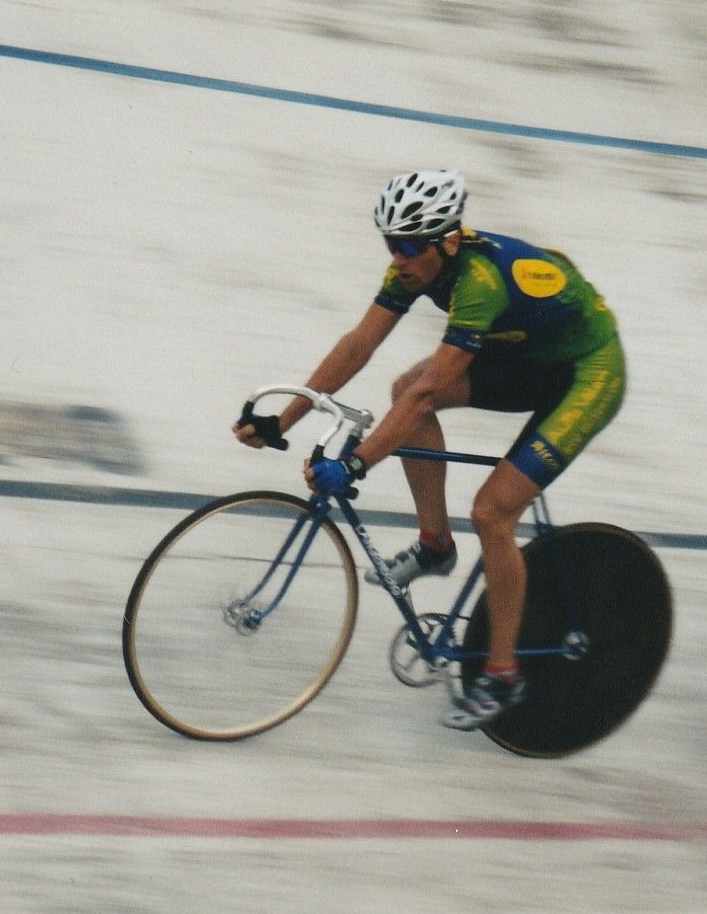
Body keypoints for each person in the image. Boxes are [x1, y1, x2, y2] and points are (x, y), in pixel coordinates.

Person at [233, 169, 625, 731]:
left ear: (445, 240)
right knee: (401, 389)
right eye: (391, 244)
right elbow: (358, 344)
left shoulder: (480, 282)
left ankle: (501, 674)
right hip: (529, 361)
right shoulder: (414, 268)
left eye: (410, 245)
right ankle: (436, 545)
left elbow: (424, 397)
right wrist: (284, 419)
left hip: (588, 375)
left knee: (493, 511)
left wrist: (356, 463)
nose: (399, 257)